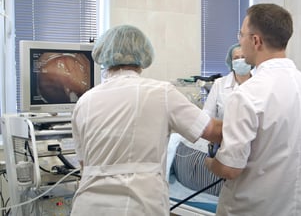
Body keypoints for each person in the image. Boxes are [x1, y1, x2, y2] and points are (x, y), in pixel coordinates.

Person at [70, 25, 222, 216]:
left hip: (88, 206)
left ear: (104, 56)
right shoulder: (160, 92)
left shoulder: (85, 101)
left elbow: (85, 165)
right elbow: (212, 131)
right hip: (138, 205)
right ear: (143, 57)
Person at [204, 3, 301, 215]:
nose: (240, 41)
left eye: (241, 35)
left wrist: (208, 162)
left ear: (256, 41)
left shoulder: (247, 94)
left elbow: (230, 168)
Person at [172, 43, 252, 196]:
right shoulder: (220, 85)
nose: (241, 61)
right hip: (222, 140)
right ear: (231, 62)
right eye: (236, 58)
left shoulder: (259, 85)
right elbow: (206, 116)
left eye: (244, 57)